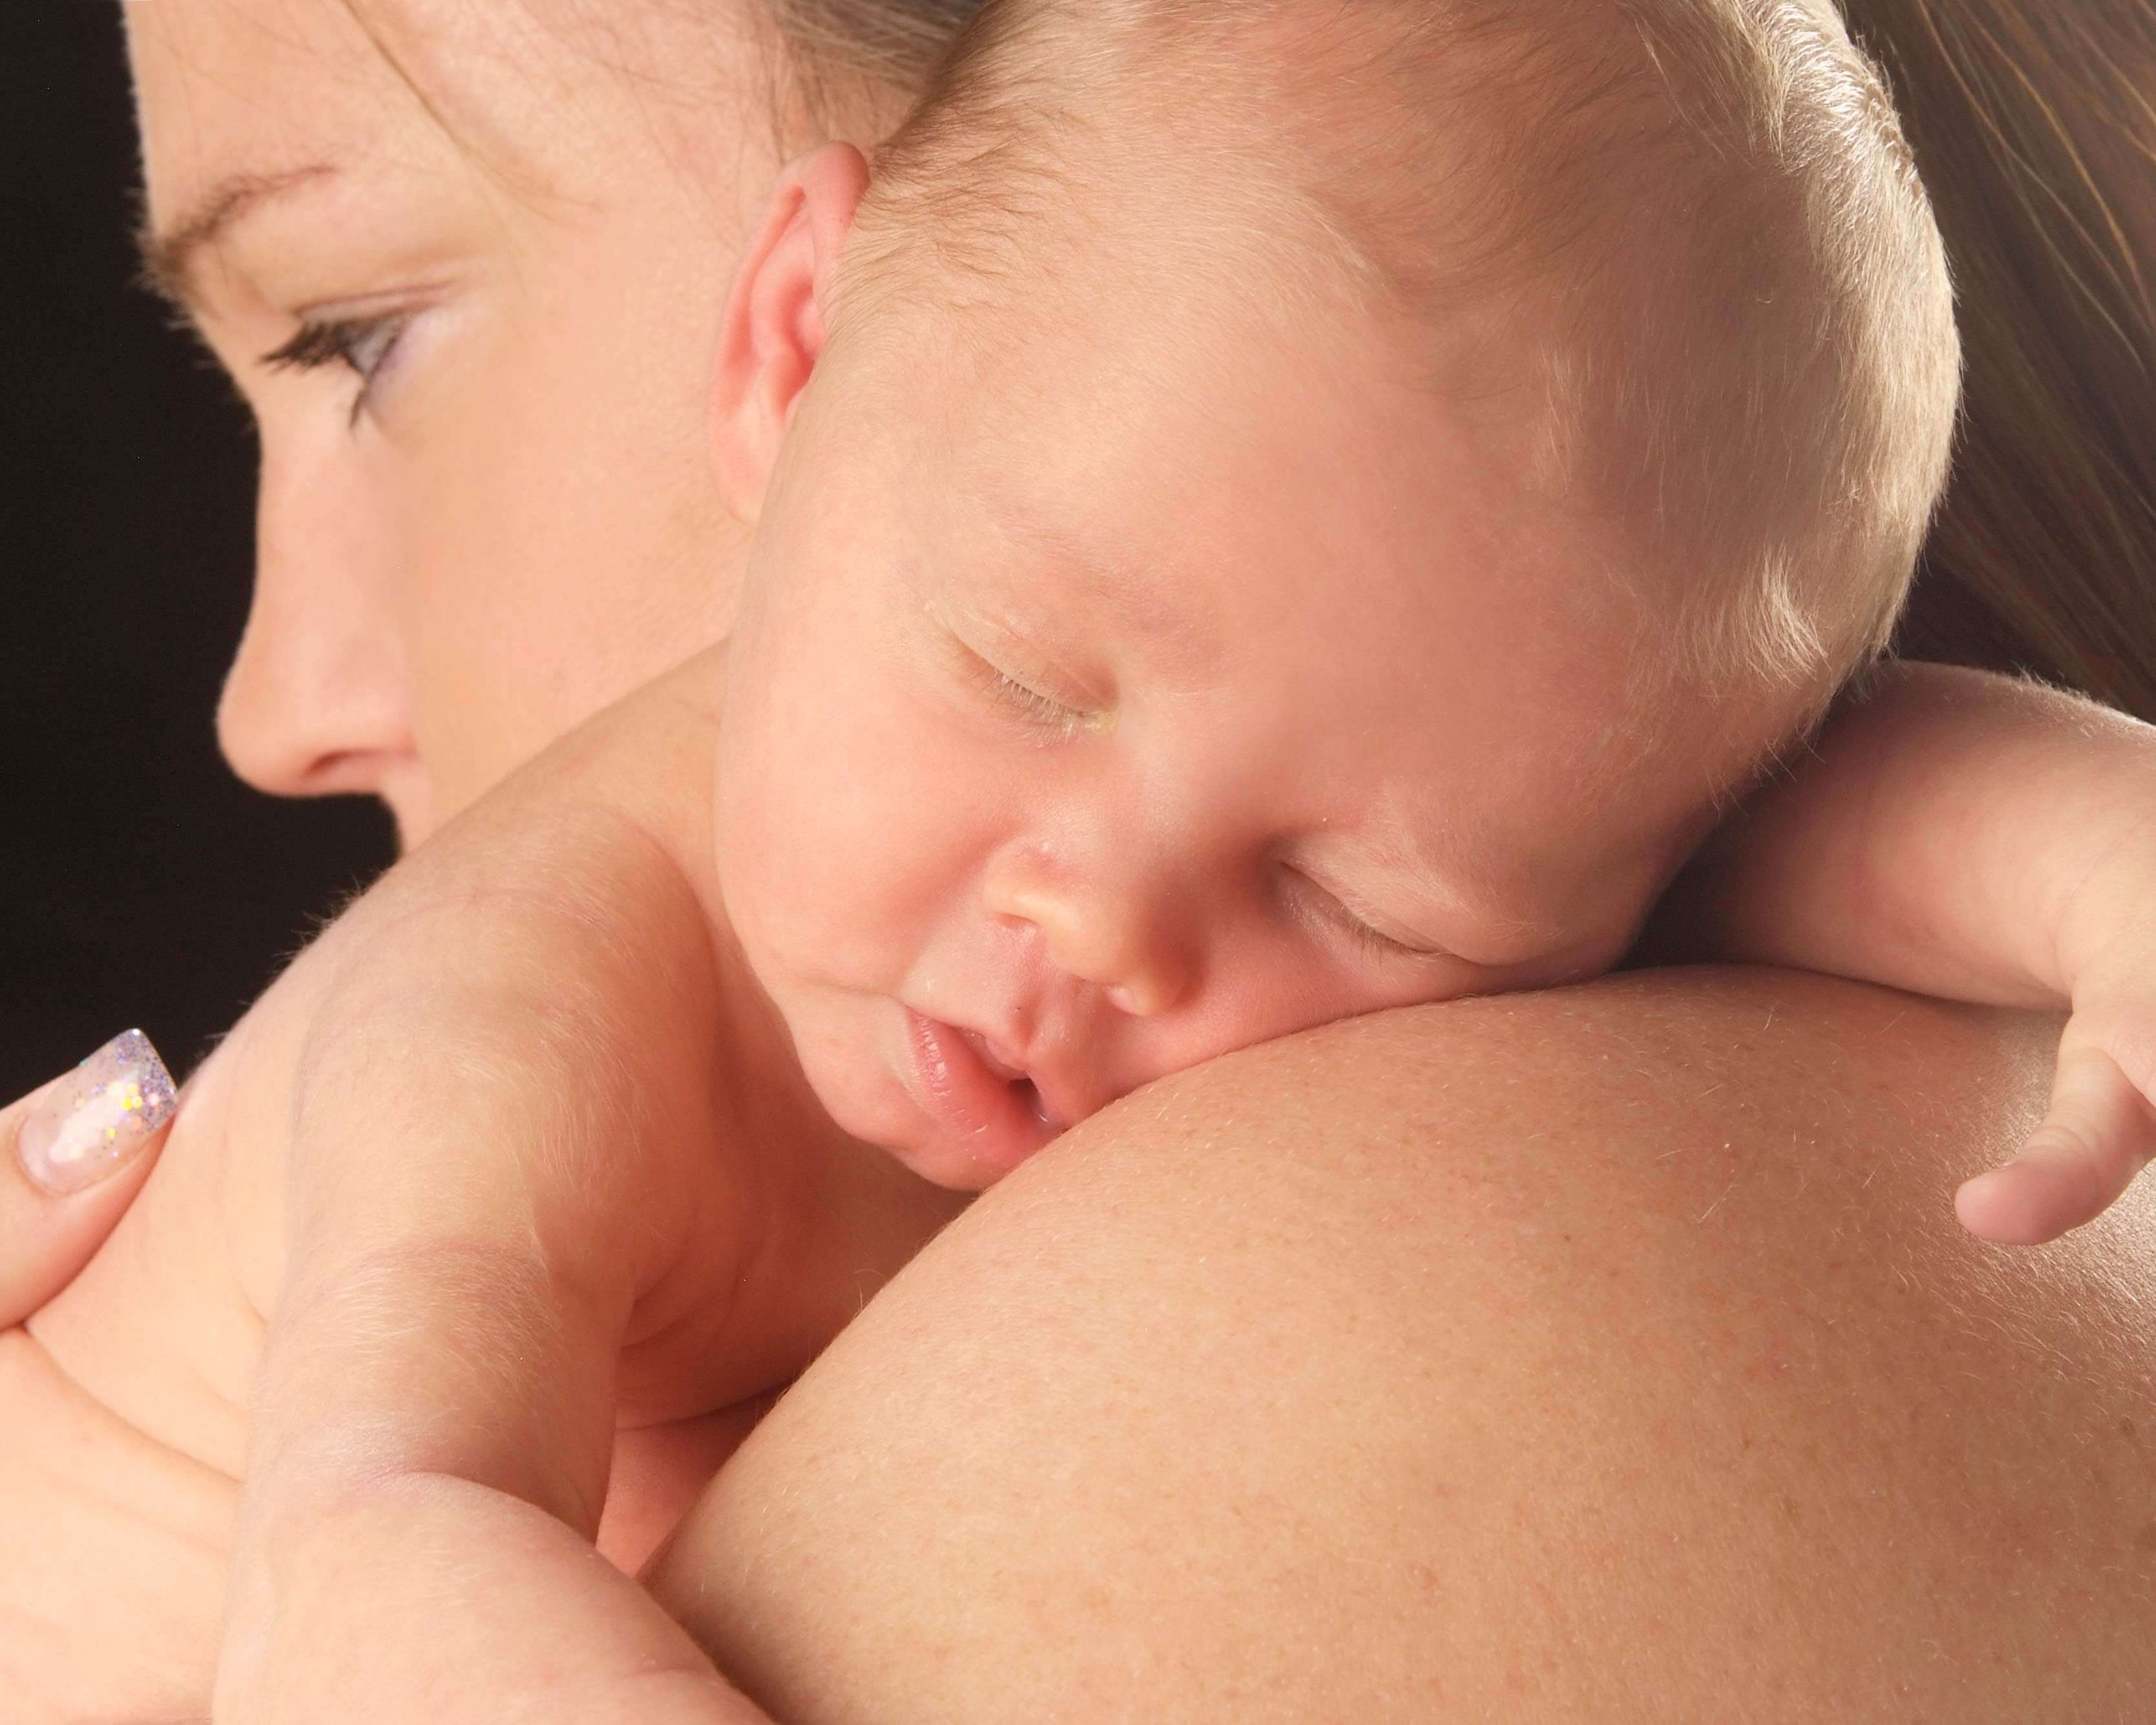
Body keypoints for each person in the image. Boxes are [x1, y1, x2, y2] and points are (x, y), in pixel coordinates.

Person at [3, 1, 2151, 1719]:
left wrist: (2096, 849)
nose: (1106, 920)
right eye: (1024, 675)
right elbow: (383, 1488)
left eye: (1352, 897)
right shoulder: (550, 959)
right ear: (795, 345)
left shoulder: (1377, 776)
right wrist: (424, 1542)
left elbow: (1731, 823)